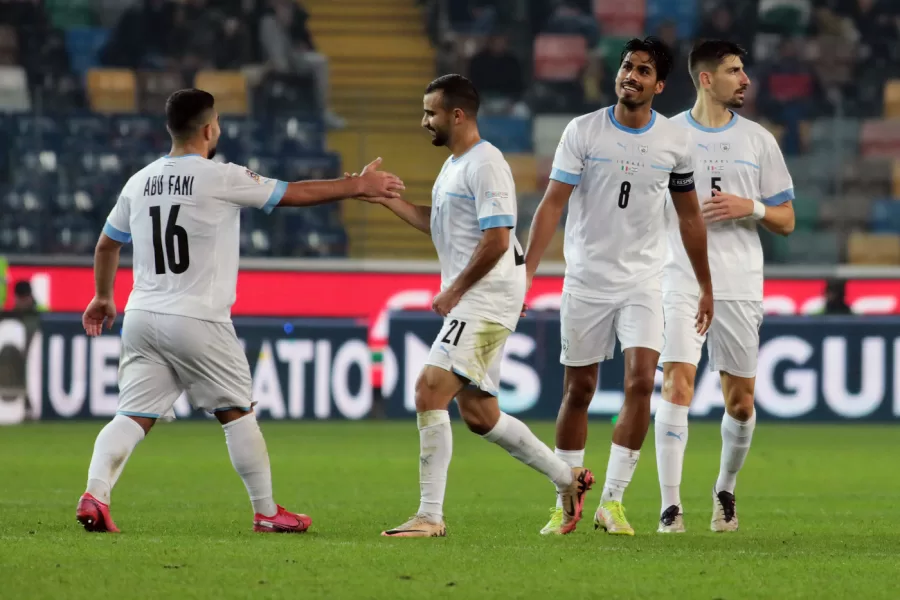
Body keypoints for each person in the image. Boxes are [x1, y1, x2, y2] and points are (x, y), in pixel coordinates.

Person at [75, 88, 404, 534]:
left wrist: (102, 296)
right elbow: (291, 193)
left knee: (132, 415)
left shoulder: (139, 181)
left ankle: (95, 494)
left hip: (141, 316)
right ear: (209, 129)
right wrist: (358, 186)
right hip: (198, 317)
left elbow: (106, 243)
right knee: (237, 412)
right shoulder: (220, 176)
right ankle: (267, 511)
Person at [363, 74, 594, 538]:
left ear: (457, 114)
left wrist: (455, 290)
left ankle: (430, 516)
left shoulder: (487, 164)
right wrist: (387, 201)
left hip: (483, 298)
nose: (423, 121)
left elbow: (497, 239)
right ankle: (567, 479)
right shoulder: (454, 166)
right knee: (479, 415)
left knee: (429, 389)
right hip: (481, 296)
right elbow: (443, 227)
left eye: (430, 112)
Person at [525, 37, 713, 536]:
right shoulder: (583, 131)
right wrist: (527, 271)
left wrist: (705, 283)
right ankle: (565, 499)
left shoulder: (674, 141)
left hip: (645, 280)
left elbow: (690, 217)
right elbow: (551, 205)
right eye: (627, 66)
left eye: (643, 70)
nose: (631, 75)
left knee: (640, 383)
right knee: (579, 389)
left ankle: (612, 501)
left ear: (659, 84)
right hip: (586, 278)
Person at [656, 40, 795, 533]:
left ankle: (725, 490)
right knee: (678, 382)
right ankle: (670, 506)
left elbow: (786, 220)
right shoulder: (666, 135)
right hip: (678, 277)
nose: (746, 79)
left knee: (741, 401)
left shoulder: (758, 140)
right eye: (736, 71)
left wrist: (751, 207)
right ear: (707, 79)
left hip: (739, 281)